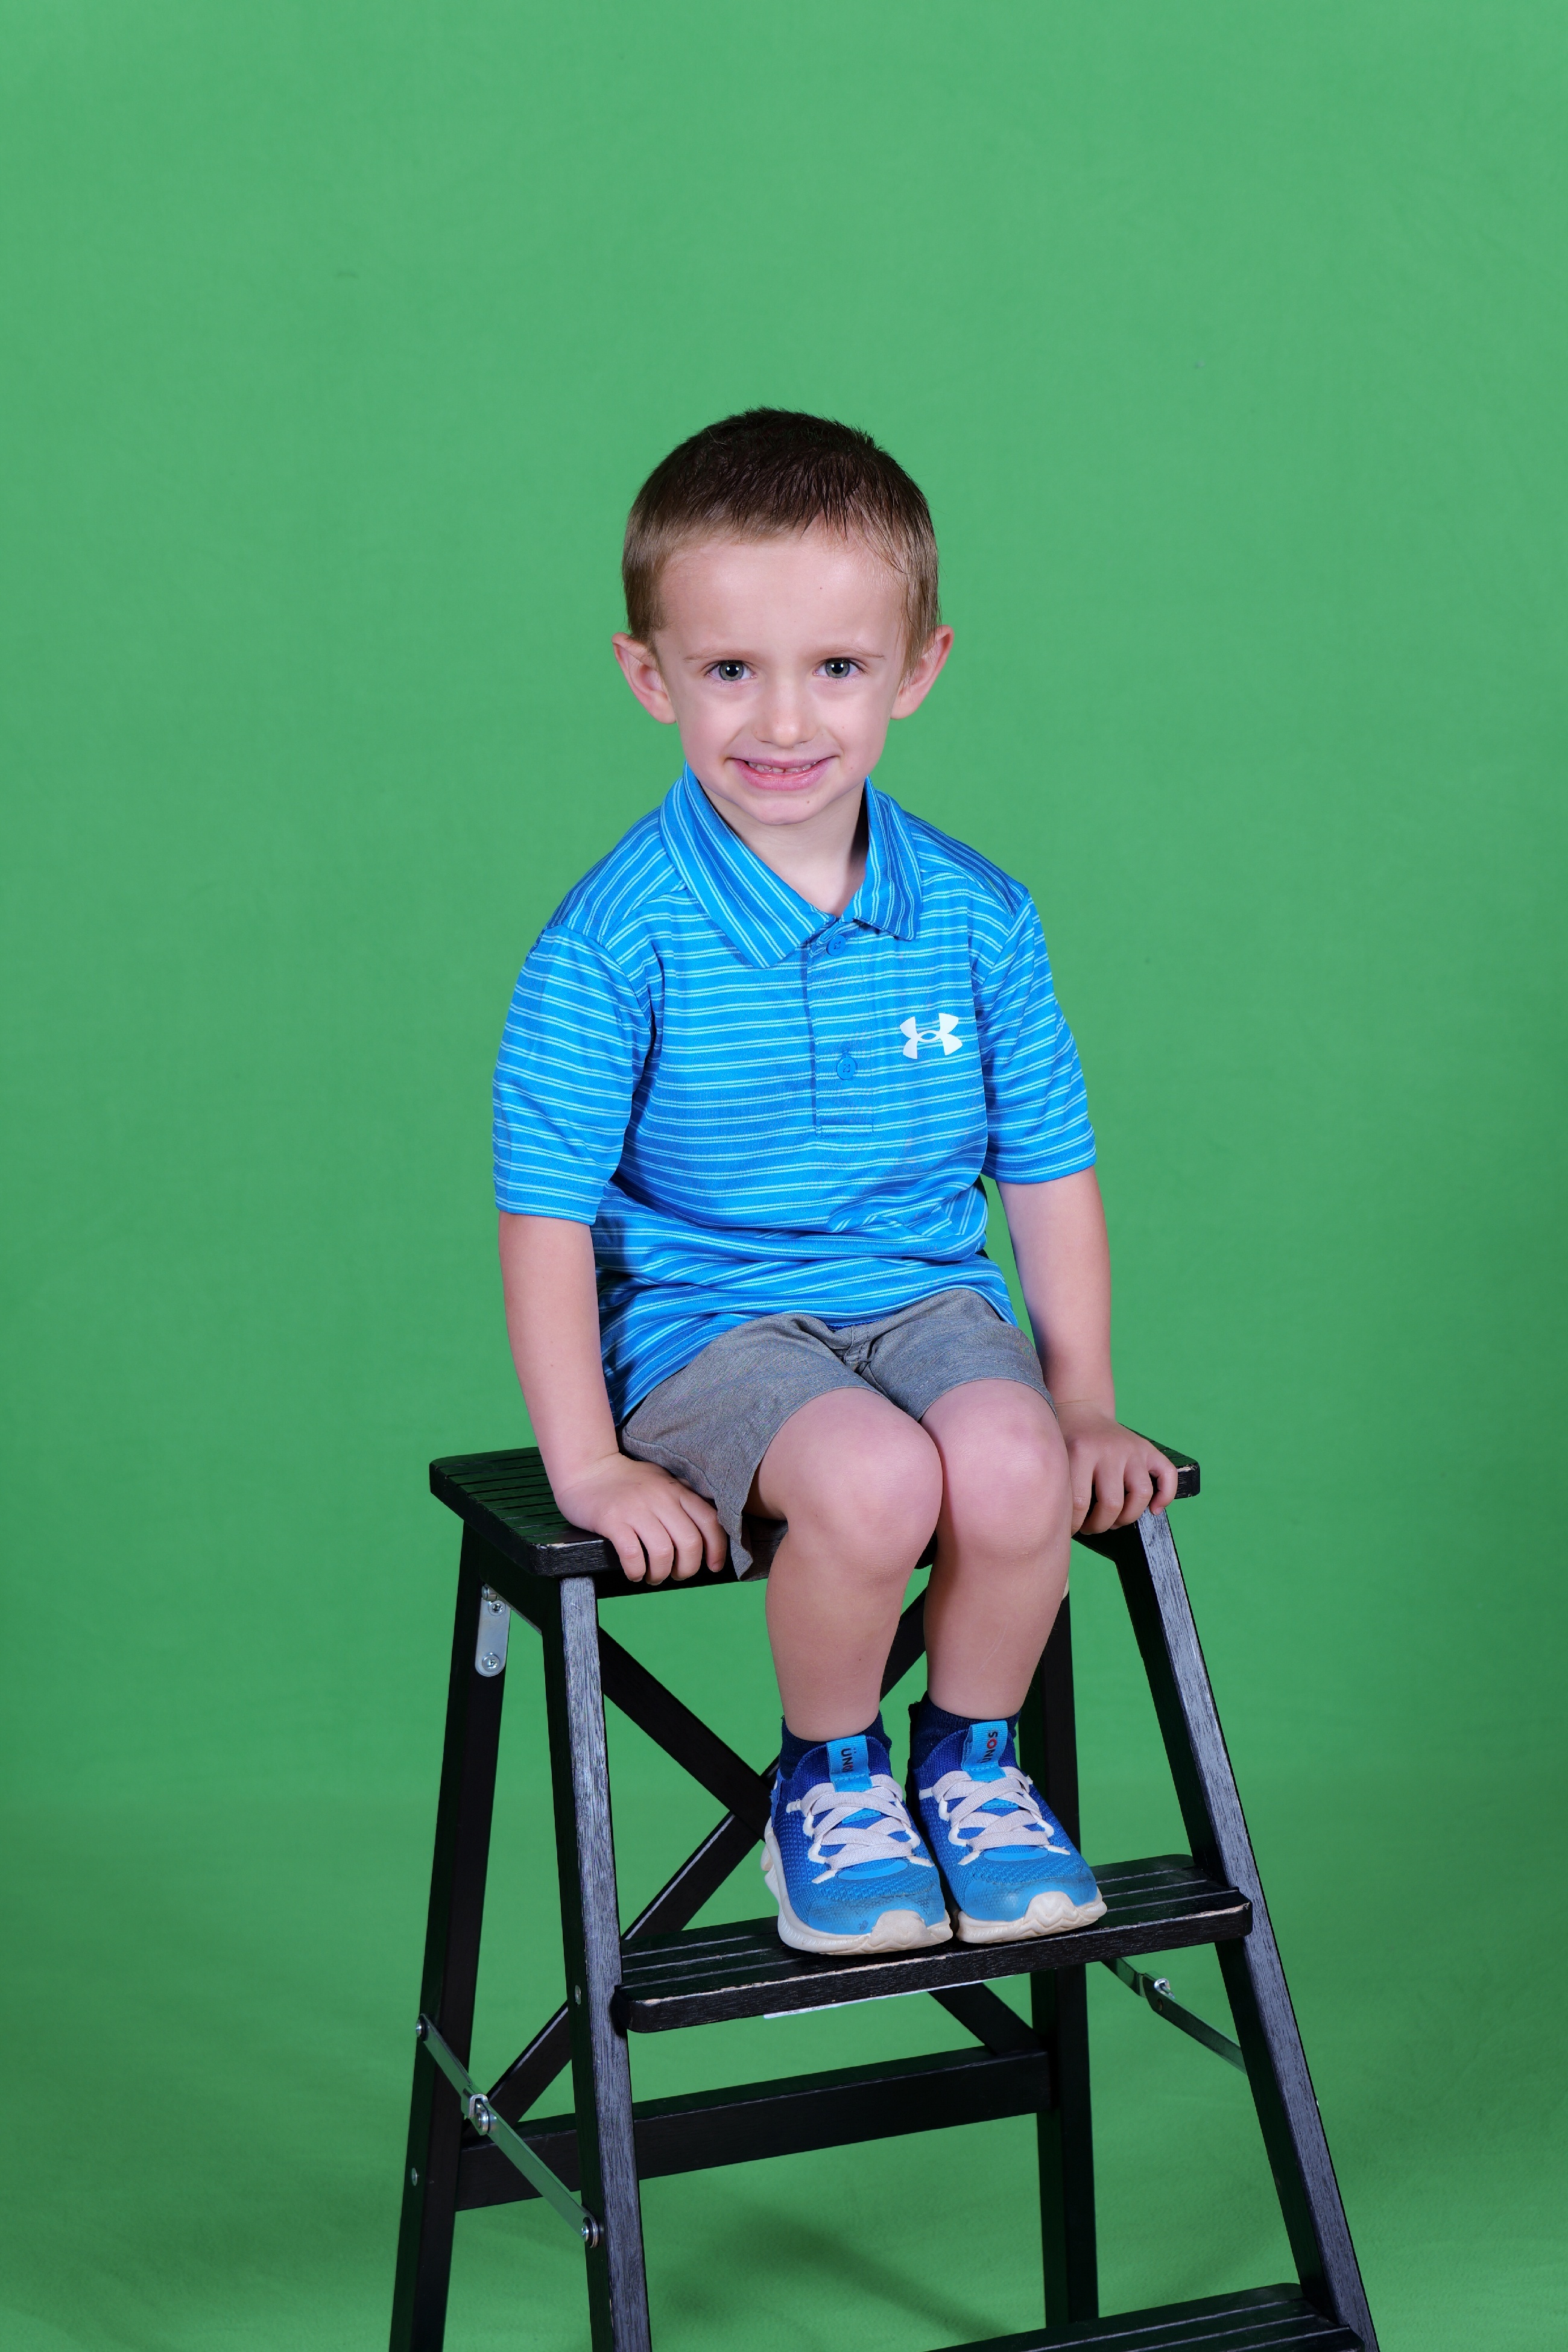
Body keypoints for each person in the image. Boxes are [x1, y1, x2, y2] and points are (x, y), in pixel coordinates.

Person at [494, 408, 1177, 1959]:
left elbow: (1047, 1173)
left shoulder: (979, 917)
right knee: (874, 1481)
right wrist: (590, 1468)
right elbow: (543, 1224)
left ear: (917, 670)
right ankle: (830, 1783)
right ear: (651, 676)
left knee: (1012, 1464)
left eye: (839, 667)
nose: (785, 720)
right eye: (732, 669)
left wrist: (1083, 1399)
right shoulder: (612, 942)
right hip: (709, 1329)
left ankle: (972, 1766)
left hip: (923, 1302)